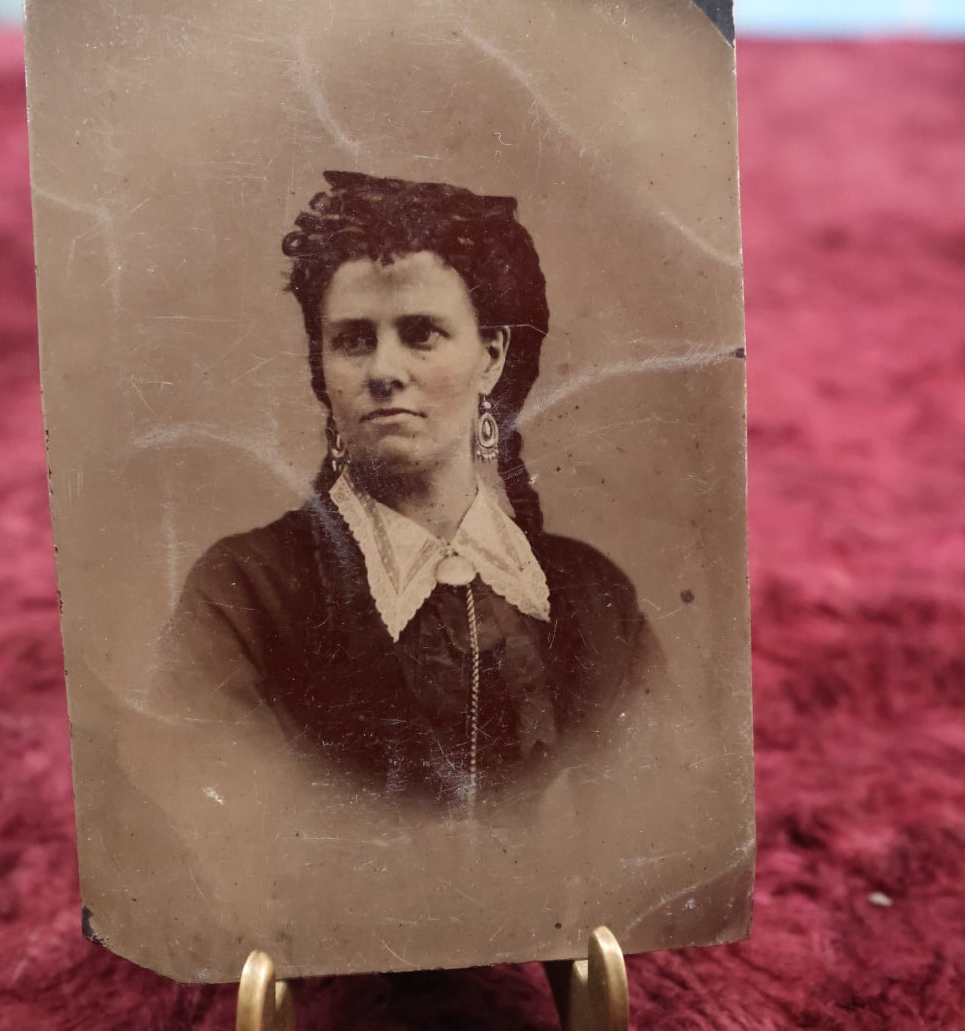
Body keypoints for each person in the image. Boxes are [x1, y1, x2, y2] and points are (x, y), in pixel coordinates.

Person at [159, 172, 652, 802]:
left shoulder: (592, 598)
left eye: (421, 334)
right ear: (323, 366)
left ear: (492, 357)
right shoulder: (245, 594)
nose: (384, 372)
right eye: (353, 340)